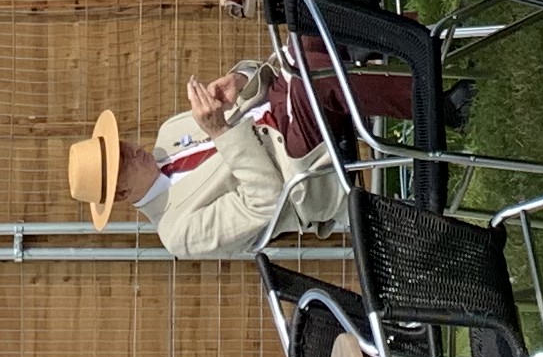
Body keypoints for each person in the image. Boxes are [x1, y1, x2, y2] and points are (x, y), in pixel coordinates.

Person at [62, 51, 427, 261]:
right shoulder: (178, 233)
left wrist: (239, 78)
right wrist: (221, 132)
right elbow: (265, 204)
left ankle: (422, 50)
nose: (130, 150)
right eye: (121, 161)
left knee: (304, 28)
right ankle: (432, 97)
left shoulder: (168, 135)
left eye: (119, 145)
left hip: (283, 107)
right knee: (308, 81)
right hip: (297, 175)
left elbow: (254, 92)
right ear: (122, 195)